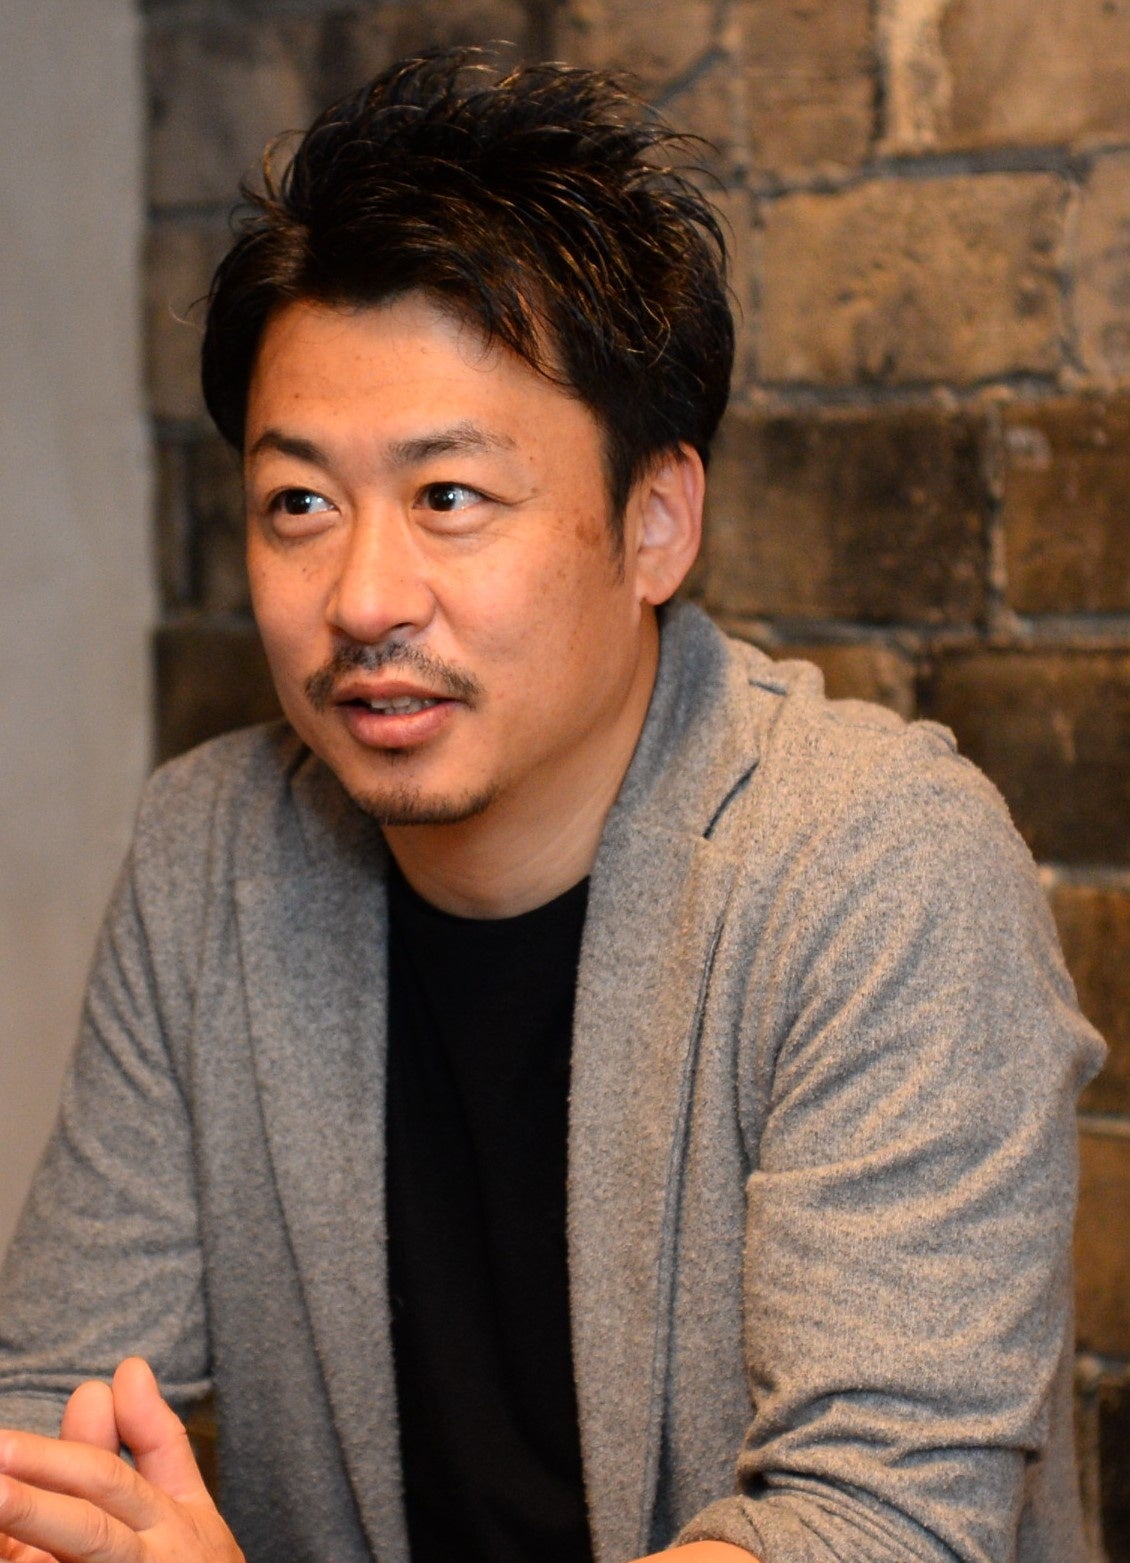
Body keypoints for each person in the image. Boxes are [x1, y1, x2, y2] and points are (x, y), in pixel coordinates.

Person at [0, 48, 1105, 1563]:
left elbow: (873, 1529)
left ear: (656, 523)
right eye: (299, 504)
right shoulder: (212, 850)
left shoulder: (875, 868)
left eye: (449, 498)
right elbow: (48, 1422)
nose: (363, 599)